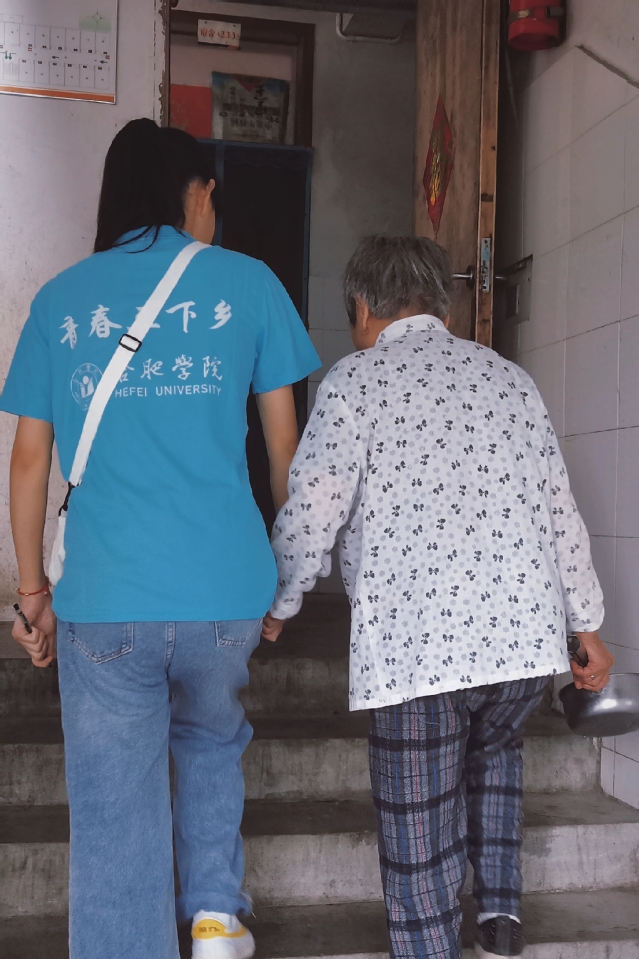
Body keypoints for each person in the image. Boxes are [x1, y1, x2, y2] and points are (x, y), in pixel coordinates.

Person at [2, 118, 320, 959]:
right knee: (212, 739)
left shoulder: (61, 299)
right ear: (197, 192)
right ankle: (215, 916)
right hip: (223, 590)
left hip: (105, 597)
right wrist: (287, 579)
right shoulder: (249, 284)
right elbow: (285, 449)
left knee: (114, 798)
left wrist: (31, 593)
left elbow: (29, 461)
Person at [262, 235, 614, 959]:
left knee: (418, 826)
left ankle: (430, 942)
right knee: (496, 754)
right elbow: (560, 511)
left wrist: (278, 601)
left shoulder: (355, 381)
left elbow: (313, 510)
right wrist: (587, 624)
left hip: (417, 651)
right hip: (522, 646)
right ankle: (500, 916)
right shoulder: (509, 379)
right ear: (443, 307)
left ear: (362, 308)